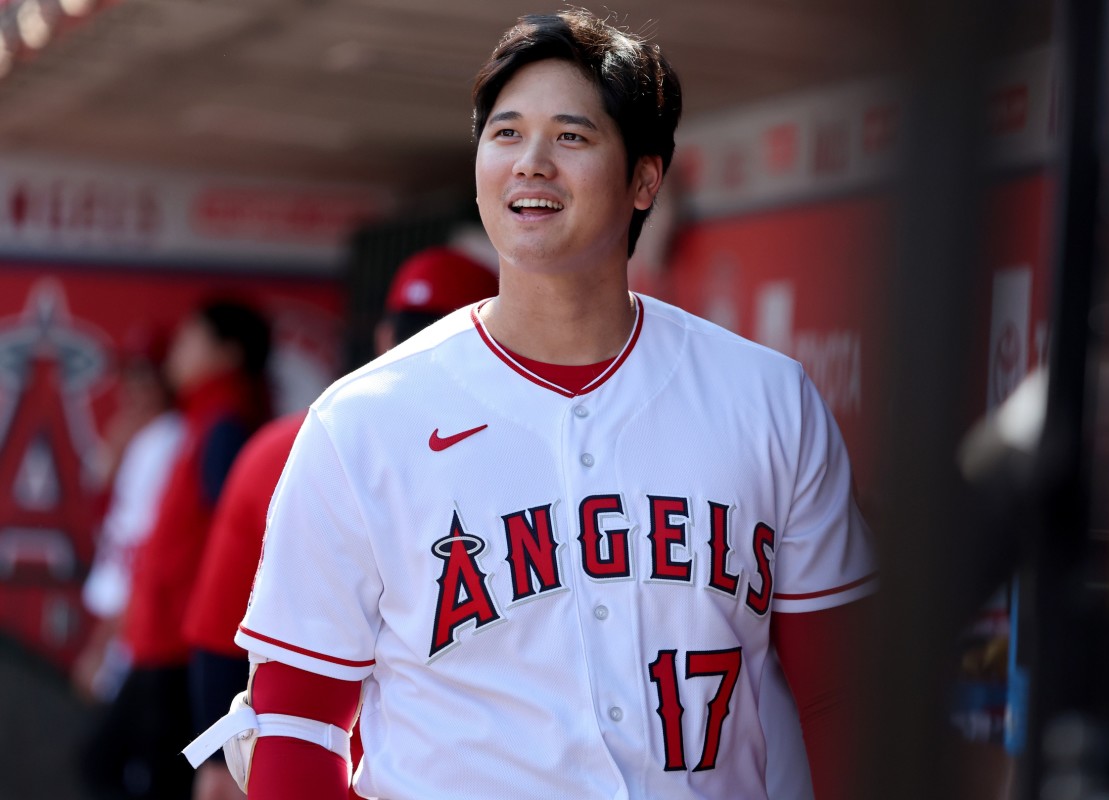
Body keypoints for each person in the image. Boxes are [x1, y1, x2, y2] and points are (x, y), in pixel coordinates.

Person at [187, 11, 875, 799]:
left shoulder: (768, 399)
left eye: (572, 137)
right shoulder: (362, 422)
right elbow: (297, 723)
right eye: (506, 134)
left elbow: (840, 697)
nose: (532, 164)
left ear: (646, 177)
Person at [181, 247, 498, 800]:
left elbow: (217, 636)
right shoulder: (520, 461)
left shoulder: (288, 444)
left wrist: (216, 763)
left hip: (302, 762)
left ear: (382, 337)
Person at [84, 300, 271, 800]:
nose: (178, 353)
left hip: (187, 647)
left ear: (228, 353)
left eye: (192, 339)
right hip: (170, 638)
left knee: (130, 773)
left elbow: (235, 550)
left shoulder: (226, 427)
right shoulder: (202, 421)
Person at [73, 329, 184, 705]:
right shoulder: (139, 436)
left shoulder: (166, 441)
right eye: (131, 375)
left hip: (136, 624)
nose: (135, 388)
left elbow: (141, 555)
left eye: (146, 376)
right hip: (125, 618)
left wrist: (101, 643)